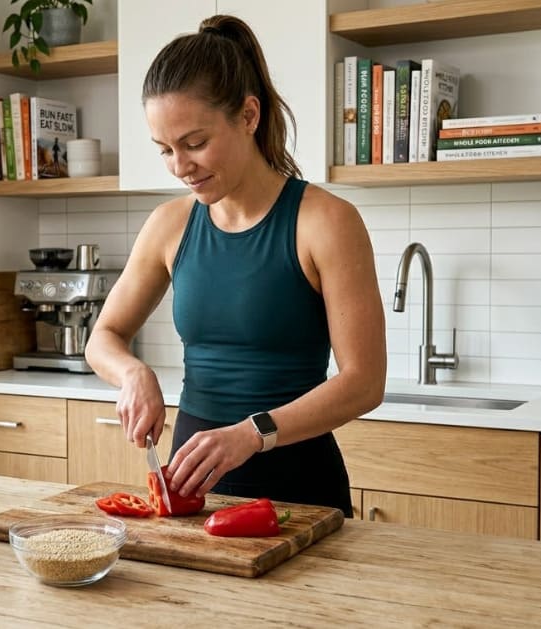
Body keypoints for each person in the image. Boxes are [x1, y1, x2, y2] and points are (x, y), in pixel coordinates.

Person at [83, 15, 386, 517]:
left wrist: (253, 433)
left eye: (195, 143)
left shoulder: (326, 222)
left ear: (248, 116)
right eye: (165, 149)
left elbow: (364, 381)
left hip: (299, 490)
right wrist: (133, 373)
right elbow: (104, 337)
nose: (181, 166)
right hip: (191, 493)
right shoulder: (169, 225)